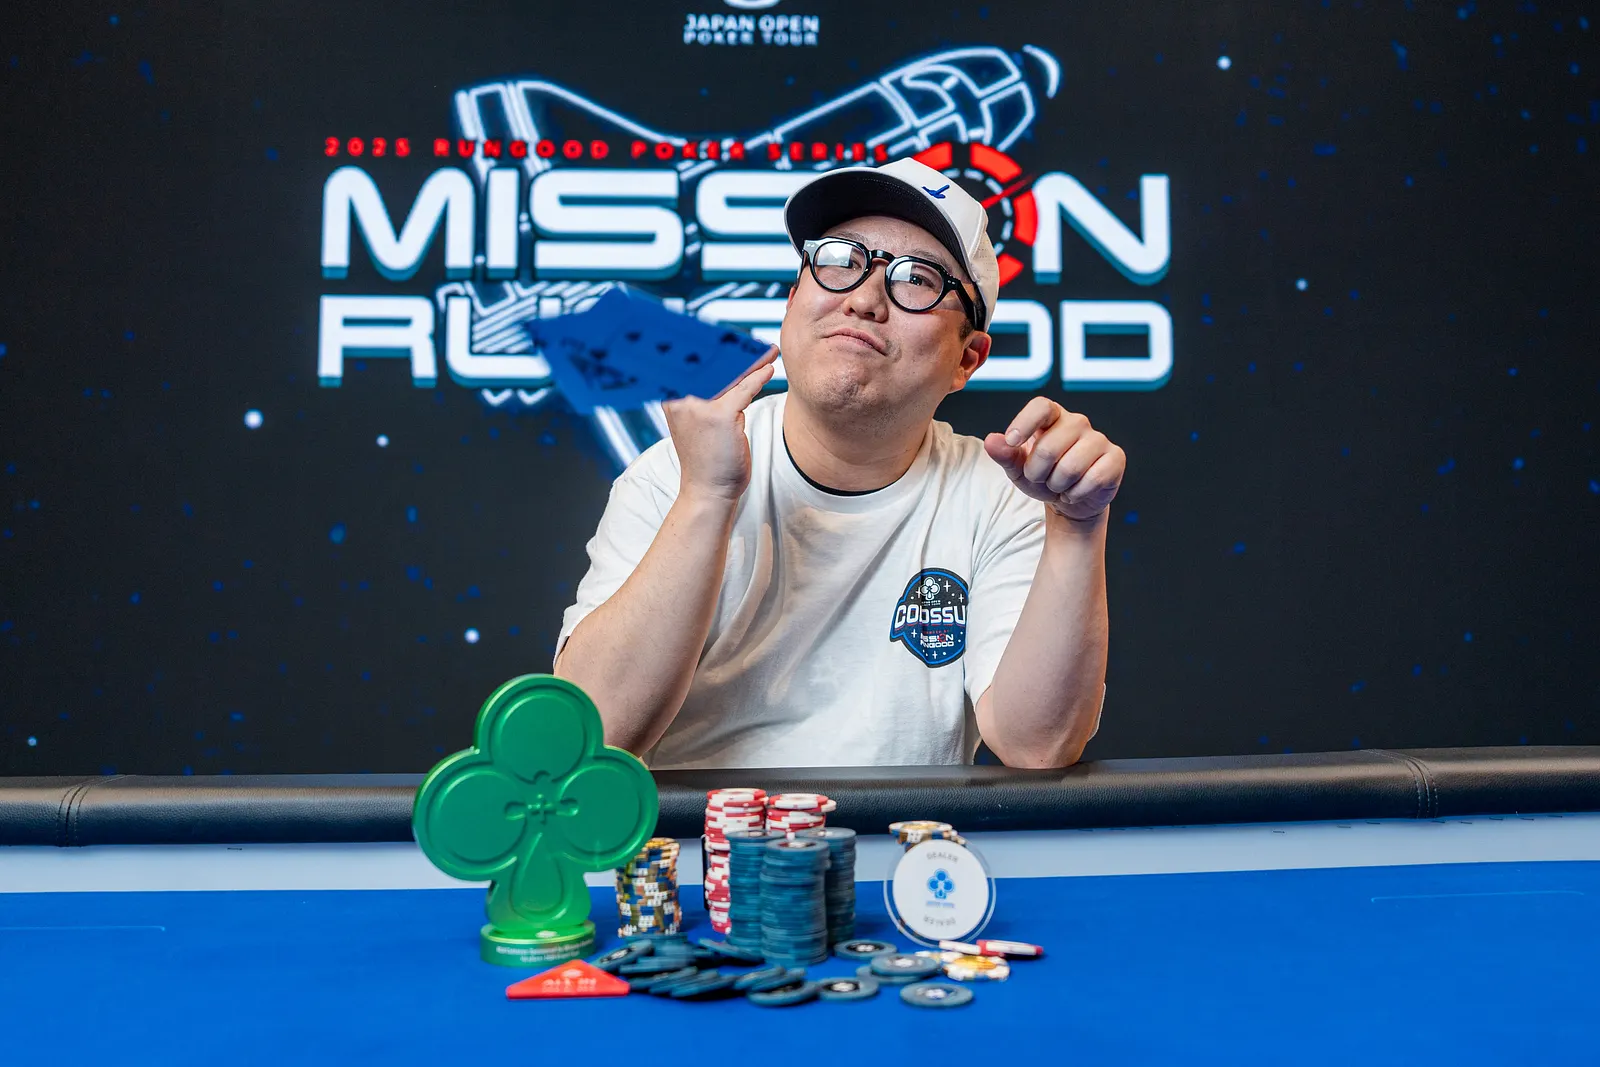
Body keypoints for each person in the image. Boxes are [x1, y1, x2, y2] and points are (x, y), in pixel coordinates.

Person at [553, 157, 1125, 769]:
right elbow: (590, 736)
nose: (864, 298)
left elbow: (1036, 745)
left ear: (967, 359)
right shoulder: (674, 473)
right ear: (793, 302)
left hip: (907, 833)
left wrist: (1077, 528)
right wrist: (708, 495)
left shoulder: (999, 497)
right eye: (839, 261)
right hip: (706, 831)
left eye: (918, 279)